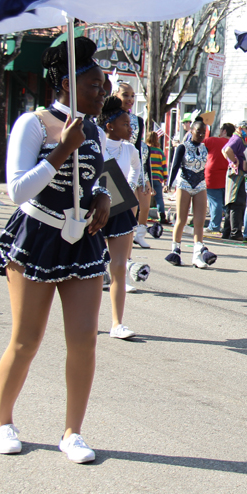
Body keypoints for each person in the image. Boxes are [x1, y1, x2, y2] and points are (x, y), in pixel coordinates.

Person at [0, 36, 111, 463]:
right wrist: (62, 150)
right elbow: (17, 191)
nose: (103, 92)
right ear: (67, 85)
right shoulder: (34, 123)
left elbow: (100, 178)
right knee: (27, 339)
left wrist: (103, 197)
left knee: (84, 340)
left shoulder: (93, 128)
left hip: (83, 243)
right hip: (37, 236)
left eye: (104, 85)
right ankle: (2, 422)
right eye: (95, 85)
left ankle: (73, 432)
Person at [98, 96, 150, 340]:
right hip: (95, 210)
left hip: (120, 210)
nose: (131, 129)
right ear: (109, 125)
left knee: (118, 266)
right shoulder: (95, 143)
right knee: (92, 268)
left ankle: (117, 323)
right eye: (125, 124)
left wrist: (125, 193)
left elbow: (136, 172)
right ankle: (85, 318)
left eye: (131, 125)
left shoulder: (130, 148)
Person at [166, 118, 218, 268]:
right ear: (191, 131)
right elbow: (174, 166)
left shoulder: (204, 148)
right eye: (198, 131)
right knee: (181, 219)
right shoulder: (182, 147)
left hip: (200, 184)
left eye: (204, 132)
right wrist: (169, 184)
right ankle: (175, 250)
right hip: (184, 183)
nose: (201, 135)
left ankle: (197, 254)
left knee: (199, 221)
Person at [115, 82, 153, 249]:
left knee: (137, 207)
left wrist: (144, 177)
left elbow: (138, 149)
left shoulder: (138, 120)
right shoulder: (109, 116)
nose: (129, 99)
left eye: (132, 96)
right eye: (125, 95)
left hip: (133, 168)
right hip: (114, 168)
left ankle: (131, 246)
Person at [222, 120, 247, 240]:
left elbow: (223, 150)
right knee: (237, 203)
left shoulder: (238, 139)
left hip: (236, 173)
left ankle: (227, 232)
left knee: (232, 204)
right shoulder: (237, 139)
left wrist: (231, 161)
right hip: (237, 174)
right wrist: (234, 161)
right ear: (240, 128)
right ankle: (235, 233)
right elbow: (227, 150)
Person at [203, 123, 234, 234]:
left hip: (212, 175)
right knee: (226, 203)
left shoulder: (212, 140)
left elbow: (197, 146)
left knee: (215, 202)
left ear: (224, 131)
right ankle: (228, 226)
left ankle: (214, 226)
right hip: (228, 176)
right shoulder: (234, 143)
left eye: (221, 130)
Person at [146, 131, 168, 224]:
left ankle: (140, 214)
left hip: (147, 178)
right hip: (157, 178)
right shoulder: (160, 152)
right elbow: (164, 166)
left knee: (145, 197)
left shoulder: (146, 150)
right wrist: (165, 179)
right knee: (159, 198)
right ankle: (162, 216)